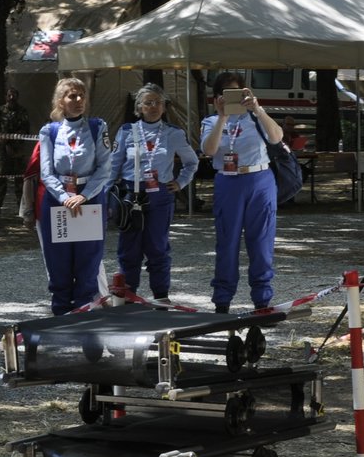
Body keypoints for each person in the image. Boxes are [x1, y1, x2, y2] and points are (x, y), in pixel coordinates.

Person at [200, 71, 282, 313]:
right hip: (228, 181)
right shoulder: (211, 122)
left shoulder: (255, 118)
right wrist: (222, 118)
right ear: (217, 98)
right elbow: (209, 150)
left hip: (259, 179)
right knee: (227, 241)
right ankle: (223, 299)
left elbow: (277, 138)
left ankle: (262, 298)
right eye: (225, 95)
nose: (232, 100)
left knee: (261, 241)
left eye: (237, 93)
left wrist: (257, 109)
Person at [112, 83, 197, 303]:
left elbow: (191, 162)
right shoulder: (126, 131)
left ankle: (161, 296)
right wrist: (108, 193)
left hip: (159, 195)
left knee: (157, 247)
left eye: (158, 102)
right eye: (148, 103)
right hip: (131, 194)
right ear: (138, 107)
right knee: (129, 248)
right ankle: (128, 296)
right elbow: (114, 165)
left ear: (164, 107)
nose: (153, 107)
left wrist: (180, 183)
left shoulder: (173, 133)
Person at [37, 77, 113, 315]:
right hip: (58, 201)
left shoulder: (97, 127)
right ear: (61, 100)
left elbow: (105, 167)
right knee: (58, 260)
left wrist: (85, 195)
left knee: (88, 260)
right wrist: (63, 197)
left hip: (89, 199)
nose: (78, 100)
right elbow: (46, 171)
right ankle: (60, 313)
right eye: (72, 96)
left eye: (81, 95)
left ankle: (84, 312)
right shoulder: (49, 131)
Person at [0, 86, 32, 215]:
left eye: (14, 95)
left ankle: (20, 207)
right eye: (9, 95)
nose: (12, 98)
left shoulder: (22, 111)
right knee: (1, 178)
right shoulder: (0, 111)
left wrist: (15, 143)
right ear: (6, 97)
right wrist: (6, 143)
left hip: (18, 149)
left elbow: (25, 131)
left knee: (19, 179)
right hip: (2, 149)